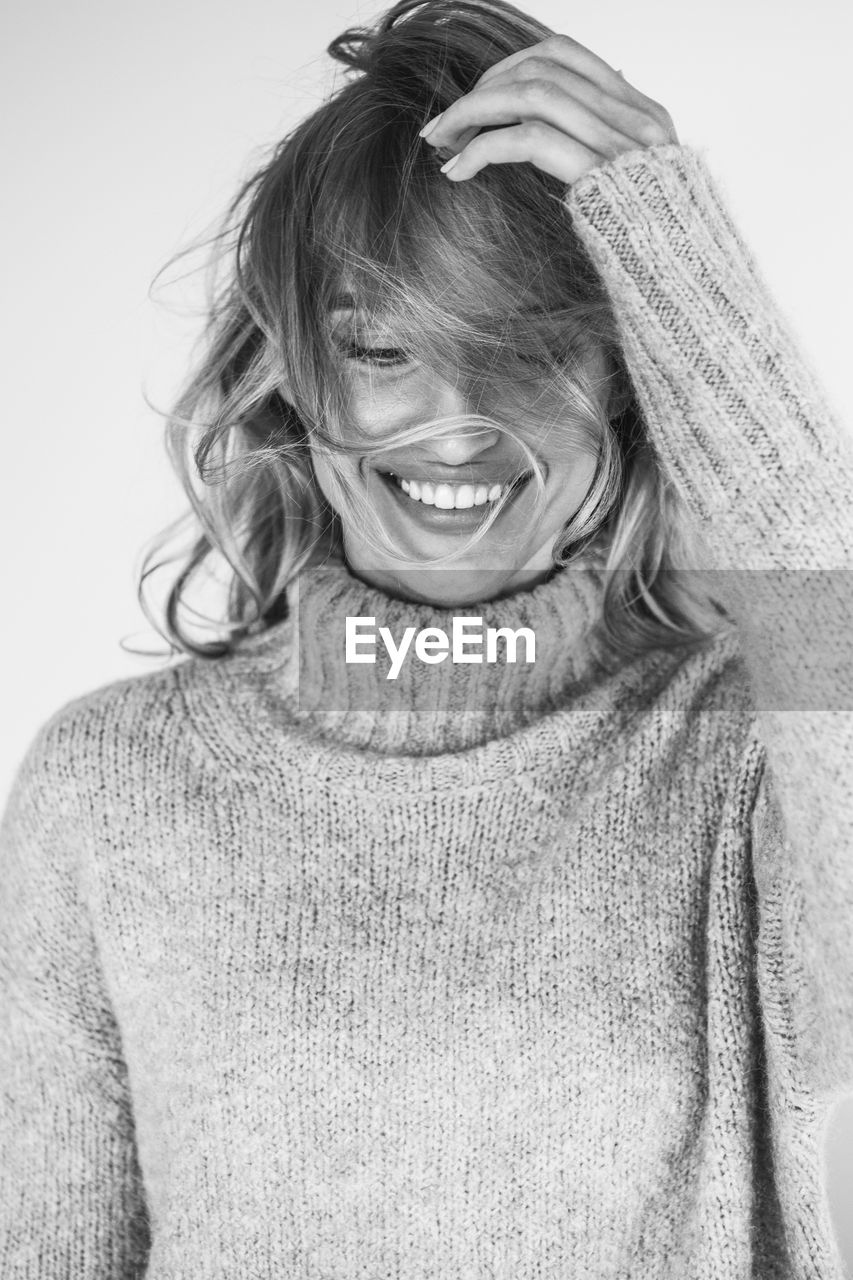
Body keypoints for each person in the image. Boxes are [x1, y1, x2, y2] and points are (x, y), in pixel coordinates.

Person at [1, 0, 851, 1274]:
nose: (457, 427)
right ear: (294, 366)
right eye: (385, 349)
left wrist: (676, 257)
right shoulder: (108, 790)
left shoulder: (740, 762)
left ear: (625, 375)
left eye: (527, 348)